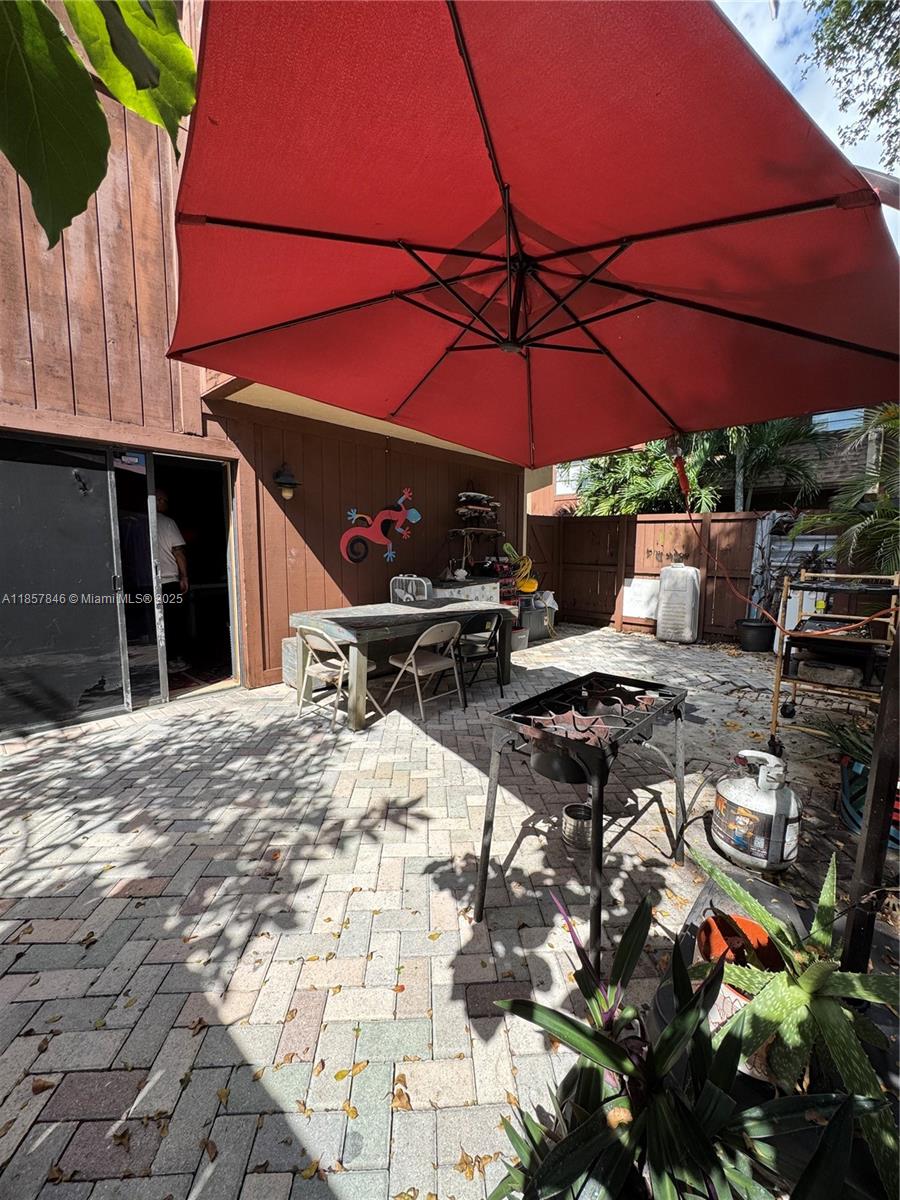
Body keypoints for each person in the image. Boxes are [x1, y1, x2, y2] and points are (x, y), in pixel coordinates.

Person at [155, 489, 190, 673]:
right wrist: (184, 577)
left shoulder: (139, 523)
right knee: (173, 622)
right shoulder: (168, 523)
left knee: (155, 623)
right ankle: (174, 660)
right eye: (165, 501)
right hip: (168, 582)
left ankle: (159, 662)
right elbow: (178, 551)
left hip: (147, 583)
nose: (166, 504)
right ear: (159, 501)